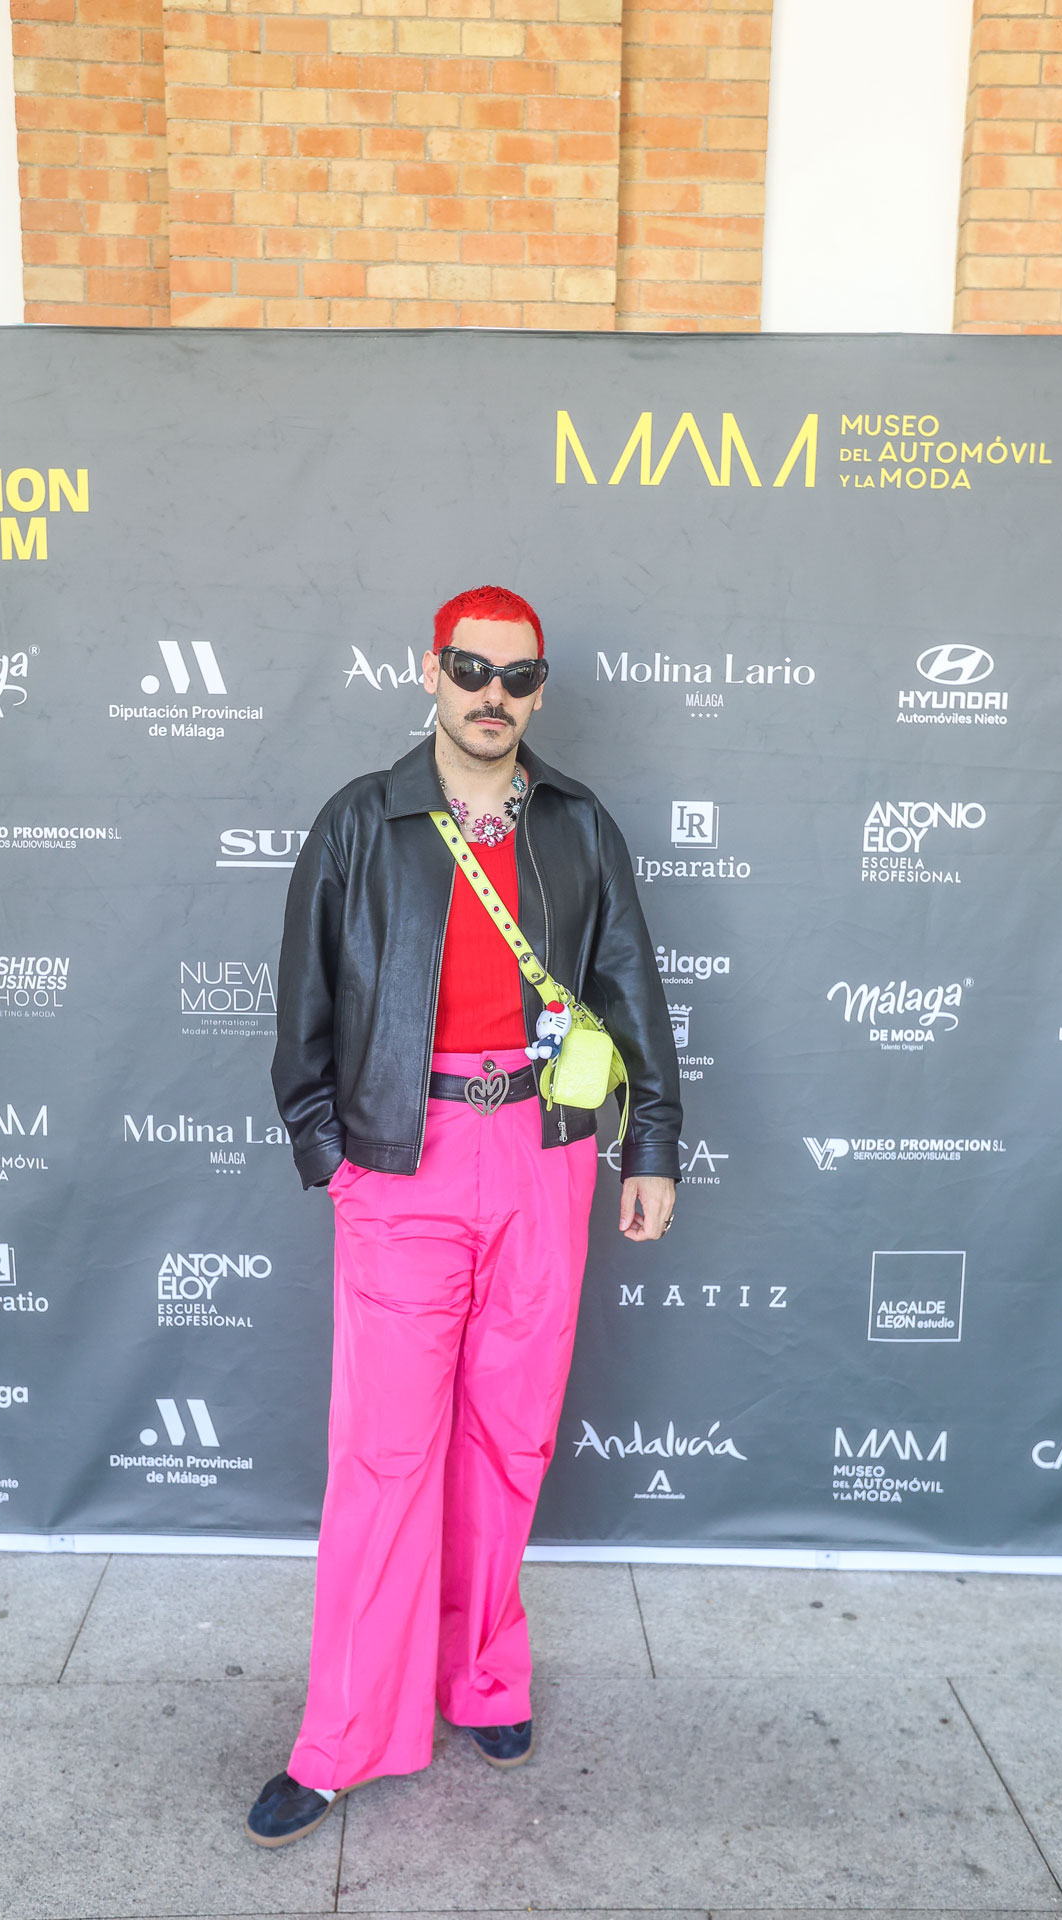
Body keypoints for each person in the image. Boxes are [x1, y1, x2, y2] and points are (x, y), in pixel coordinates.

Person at [247, 584, 682, 1847]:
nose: (494, 695)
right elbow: (301, 1008)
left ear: (538, 690)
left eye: (517, 676)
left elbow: (630, 990)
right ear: (429, 673)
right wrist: (333, 1157)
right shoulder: (360, 821)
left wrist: (649, 1143)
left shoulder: (578, 823)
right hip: (404, 1157)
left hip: (544, 1156)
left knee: (509, 1438)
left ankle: (483, 1676)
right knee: (384, 1459)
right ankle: (343, 1738)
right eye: (471, 669)